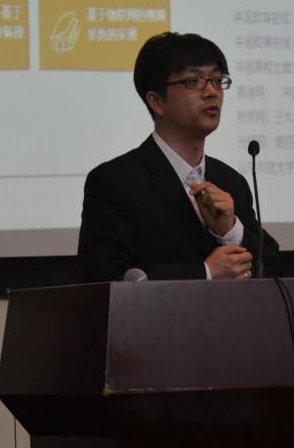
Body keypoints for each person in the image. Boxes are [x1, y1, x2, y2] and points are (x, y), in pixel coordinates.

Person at [78, 31, 282, 282]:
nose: (212, 92)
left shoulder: (232, 182)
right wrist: (205, 273)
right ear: (156, 101)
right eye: (194, 81)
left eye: (217, 80)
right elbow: (103, 278)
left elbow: (277, 275)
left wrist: (231, 231)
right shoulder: (116, 182)